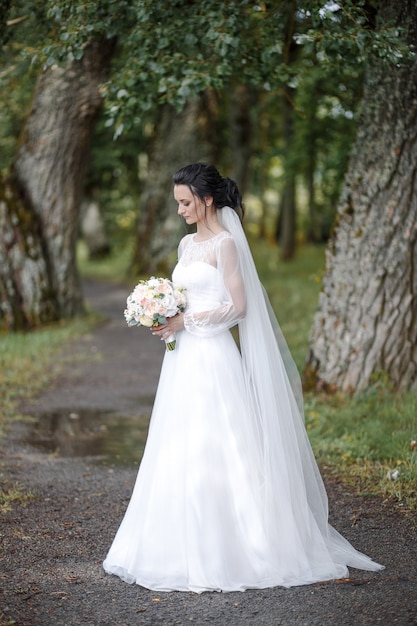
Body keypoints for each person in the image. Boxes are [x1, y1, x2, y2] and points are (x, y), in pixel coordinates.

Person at [103, 162, 383, 592]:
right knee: (177, 440)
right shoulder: (184, 246)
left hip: (214, 357)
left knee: (223, 441)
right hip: (181, 360)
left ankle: (246, 543)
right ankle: (168, 541)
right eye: (177, 203)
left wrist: (185, 321)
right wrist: (162, 314)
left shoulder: (226, 245)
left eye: (185, 202)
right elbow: (183, 297)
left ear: (207, 199)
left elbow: (239, 306)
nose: (179, 210)